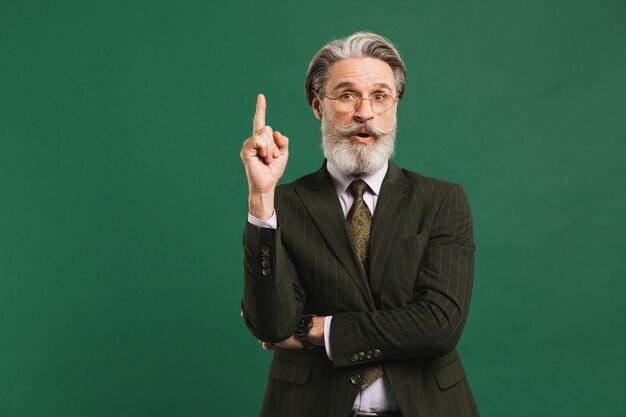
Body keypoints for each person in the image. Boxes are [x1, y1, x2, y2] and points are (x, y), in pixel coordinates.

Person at [239, 32, 479, 417]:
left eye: (380, 96)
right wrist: (261, 197)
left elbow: (440, 323)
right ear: (319, 105)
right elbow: (271, 326)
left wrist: (318, 331)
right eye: (347, 95)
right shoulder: (282, 203)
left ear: (395, 106)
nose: (364, 112)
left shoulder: (441, 200)